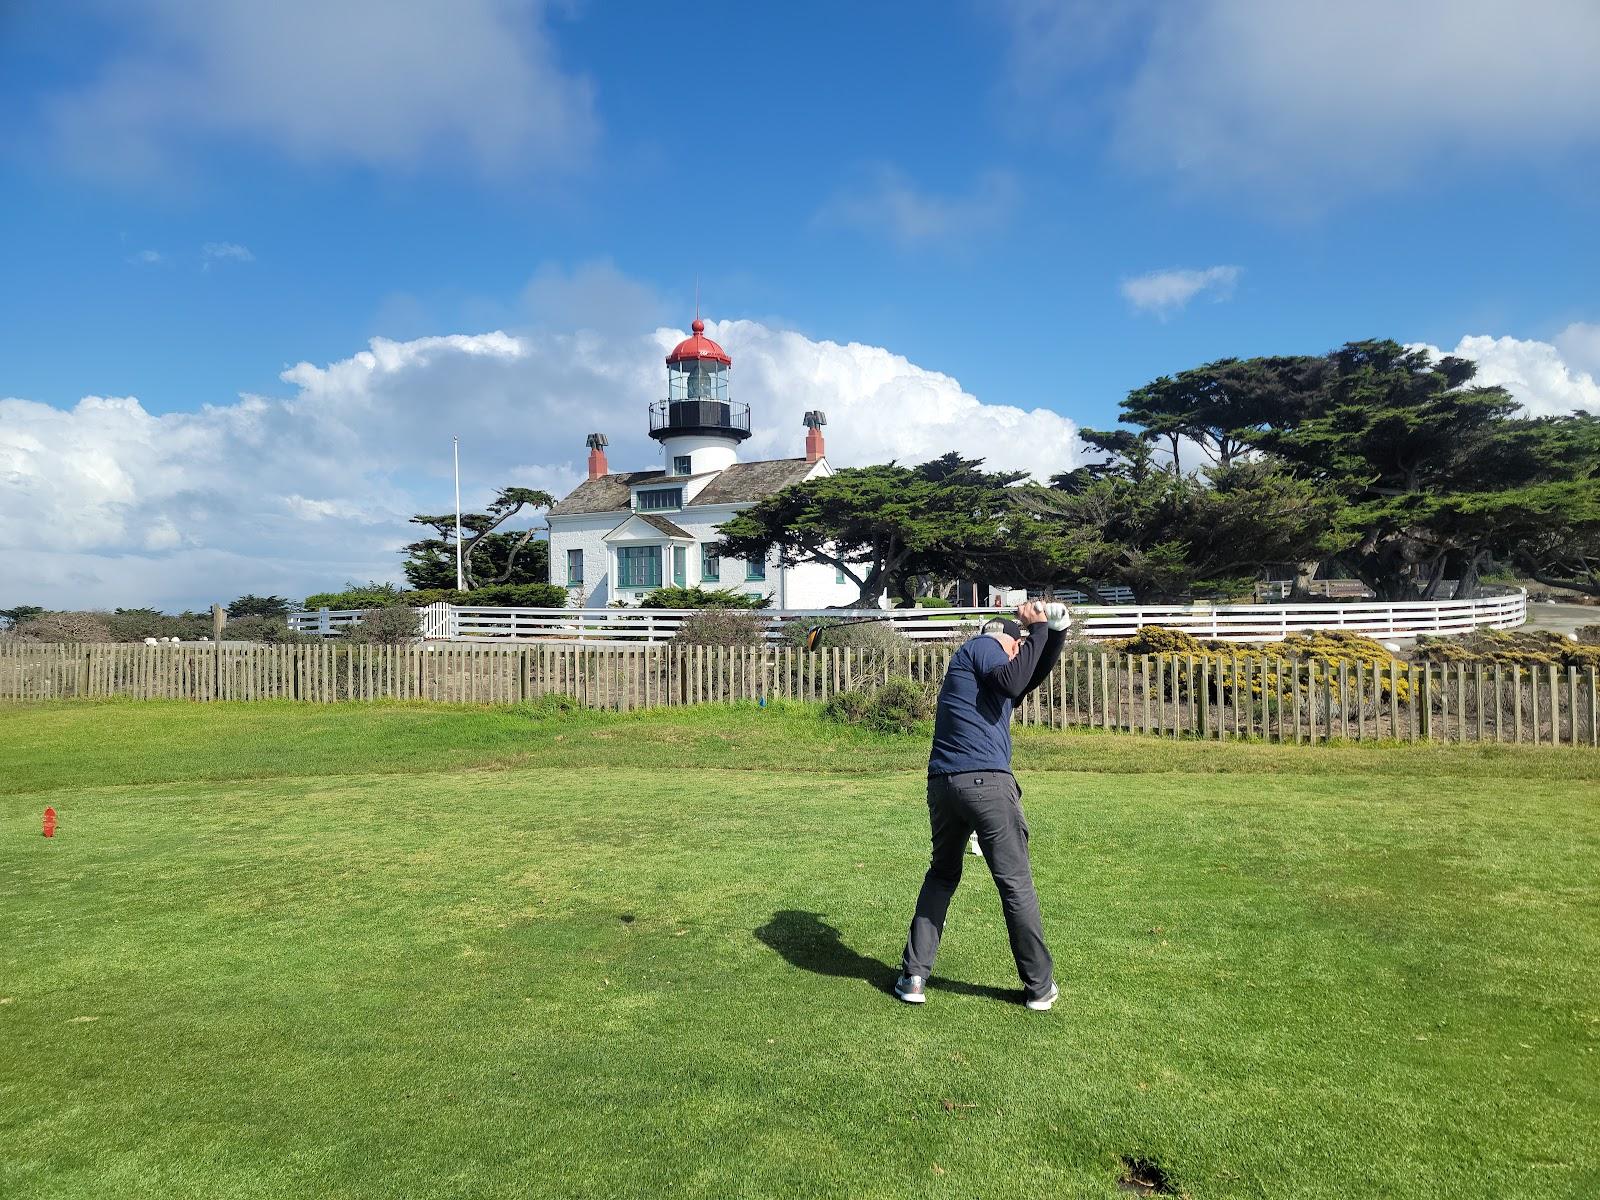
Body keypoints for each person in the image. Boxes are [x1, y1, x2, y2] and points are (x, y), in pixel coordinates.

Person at [895, 599, 1071, 1010]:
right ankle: (1040, 987)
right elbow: (1015, 678)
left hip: (944, 785)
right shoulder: (987, 646)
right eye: (1019, 646)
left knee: (941, 876)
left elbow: (1029, 675)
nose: (1020, 652)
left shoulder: (986, 674)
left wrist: (1054, 632)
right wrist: (1034, 629)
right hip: (986, 784)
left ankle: (914, 977)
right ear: (1008, 642)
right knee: (1015, 884)